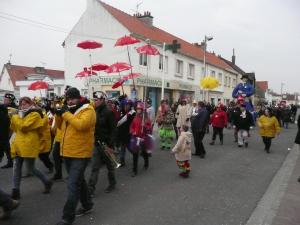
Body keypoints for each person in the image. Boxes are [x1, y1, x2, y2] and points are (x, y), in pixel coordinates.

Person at [55, 88, 96, 225]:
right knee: (79, 181)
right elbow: (59, 128)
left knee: (72, 184)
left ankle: (67, 217)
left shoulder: (88, 110)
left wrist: (65, 113)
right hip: (67, 152)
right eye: (68, 99)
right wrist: (58, 114)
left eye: (72, 98)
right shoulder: (69, 110)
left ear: (78, 98)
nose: (70, 101)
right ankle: (87, 204)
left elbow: (81, 125)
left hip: (81, 153)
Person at [10, 97, 53, 200]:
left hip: (29, 145)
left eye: (25, 104)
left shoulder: (35, 114)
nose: (22, 106)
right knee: (16, 168)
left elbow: (24, 127)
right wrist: (14, 118)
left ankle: (47, 182)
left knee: (31, 168)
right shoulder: (20, 114)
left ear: (31, 104)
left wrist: (15, 117)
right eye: (21, 104)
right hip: (18, 145)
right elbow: (14, 128)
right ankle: (15, 191)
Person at [88, 91, 117, 195]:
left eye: (96, 100)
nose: (94, 102)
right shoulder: (94, 111)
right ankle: (90, 189)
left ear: (102, 100)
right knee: (95, 167)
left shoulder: (109, 112)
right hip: (97, 143)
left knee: (110, 166)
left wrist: (110, 145)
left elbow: (114, 130)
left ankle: (112, 183)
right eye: (94, 100)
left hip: (107, 144)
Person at [129, 102, 152, 177]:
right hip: (136, 138)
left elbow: (150, 128)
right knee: (135, 154)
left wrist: (145, 126)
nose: (138, 110)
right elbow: (131, 127)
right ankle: (134, 170)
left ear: (142, 110)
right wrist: (133, 132)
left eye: (139, 109)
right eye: (137, 109)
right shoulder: (135, 118)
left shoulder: (146, 119)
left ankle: (146, 163)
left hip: (143, 138)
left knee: (144, 152)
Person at [1, 93, 17, 168]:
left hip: (11, 130)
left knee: (7, 146)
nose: (4, 100)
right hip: (4, 130)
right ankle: (10, 161)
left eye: (6, 99)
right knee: (5, 146)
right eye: (4, 99)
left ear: (11, 101)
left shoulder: (14, 109)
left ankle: (11, 161)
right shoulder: (4, 107)